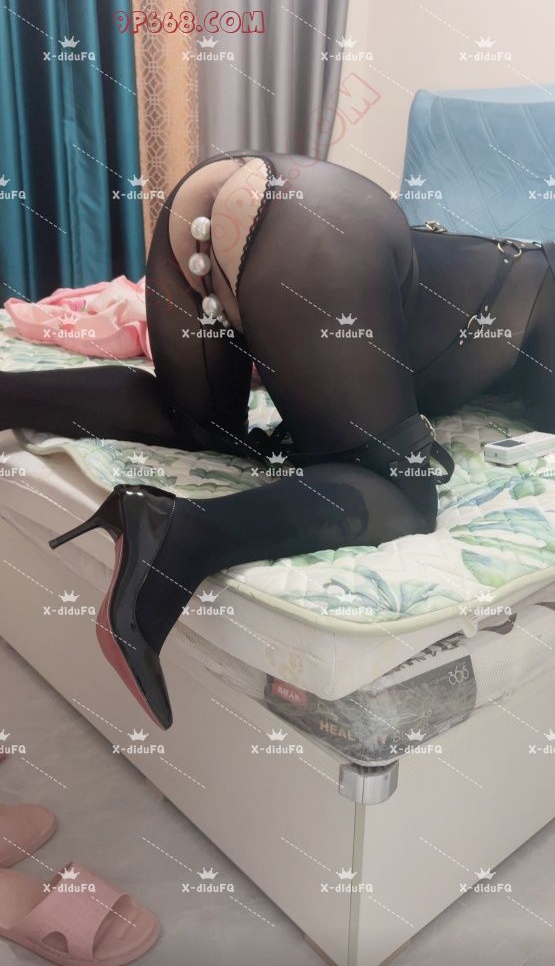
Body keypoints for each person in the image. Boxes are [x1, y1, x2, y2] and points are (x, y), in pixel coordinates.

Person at [2, 152, 554, 728]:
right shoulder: (546, 273)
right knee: (404, 492)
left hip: (231, 195)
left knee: (196, 424)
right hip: (319, 227)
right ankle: (177, 536)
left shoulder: (501, 262)